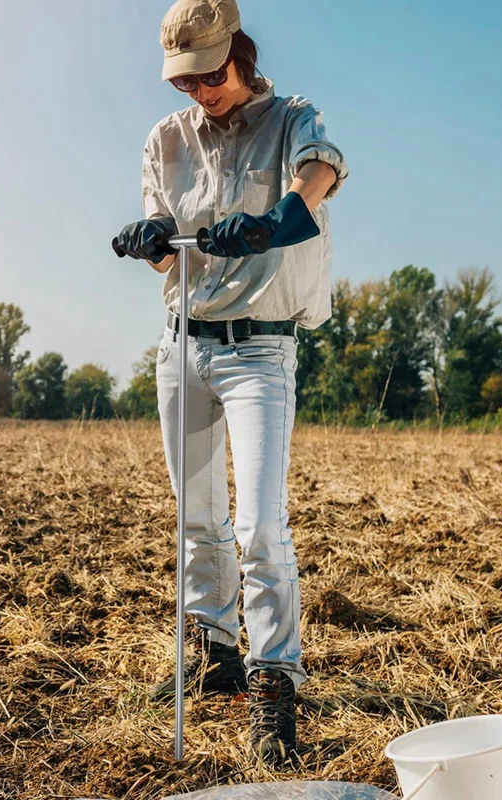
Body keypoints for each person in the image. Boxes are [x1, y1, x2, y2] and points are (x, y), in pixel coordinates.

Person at [114, 0, 348, 767]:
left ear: (239, 54)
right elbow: (170, 258)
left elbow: (324, 169)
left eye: (211, 75)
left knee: (259, 527)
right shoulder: (164, 140)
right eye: (186, 81)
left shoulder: (291, 118)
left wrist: (280, 215)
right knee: (198, 517)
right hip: (184, 348)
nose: (200, 91)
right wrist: (151, 241)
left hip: (258, 354)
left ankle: (274, 680)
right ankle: (212, 652)